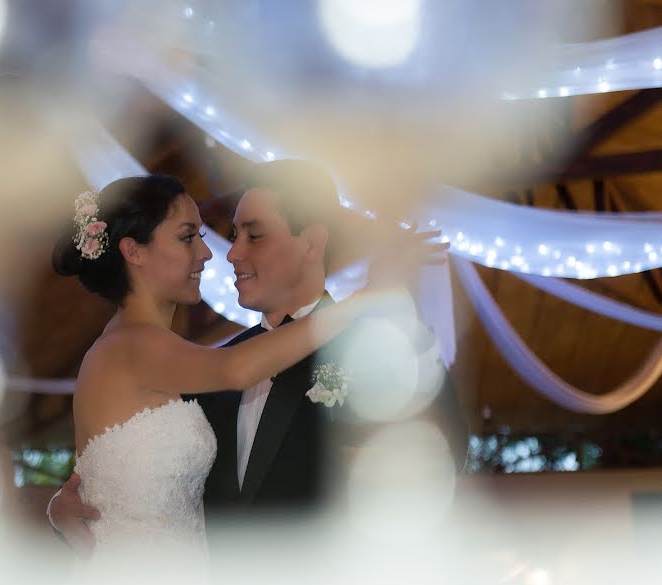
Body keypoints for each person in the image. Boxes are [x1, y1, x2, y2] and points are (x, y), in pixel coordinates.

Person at [49, 161, 461, 558]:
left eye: (254, 235)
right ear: (133, 252)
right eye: (192, 236)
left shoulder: (378, 348)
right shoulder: (213, 365)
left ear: (312, 244)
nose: (226, 254)